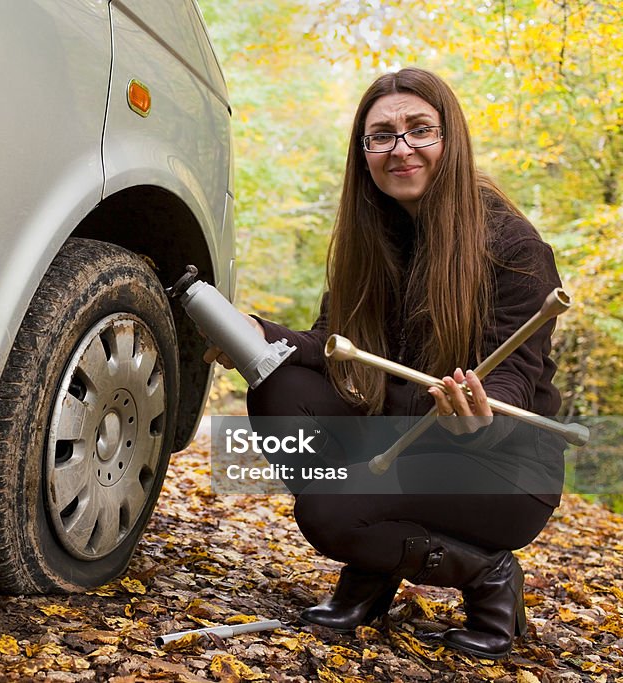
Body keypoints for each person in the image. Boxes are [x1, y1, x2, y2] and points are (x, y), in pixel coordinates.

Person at [204, 67, 566, 660]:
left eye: (420, 130)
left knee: (327, 512)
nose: (401, 149)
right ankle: (376, 554)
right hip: (404, 435)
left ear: (451, 140)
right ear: (363, 151)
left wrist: (481, 409)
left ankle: (486, 572)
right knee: (278, 388)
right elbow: (334, 345)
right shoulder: (370, 240)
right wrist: (256, 333)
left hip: (501, 467)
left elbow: (516, 374)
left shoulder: (514, 245)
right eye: (382, 135)